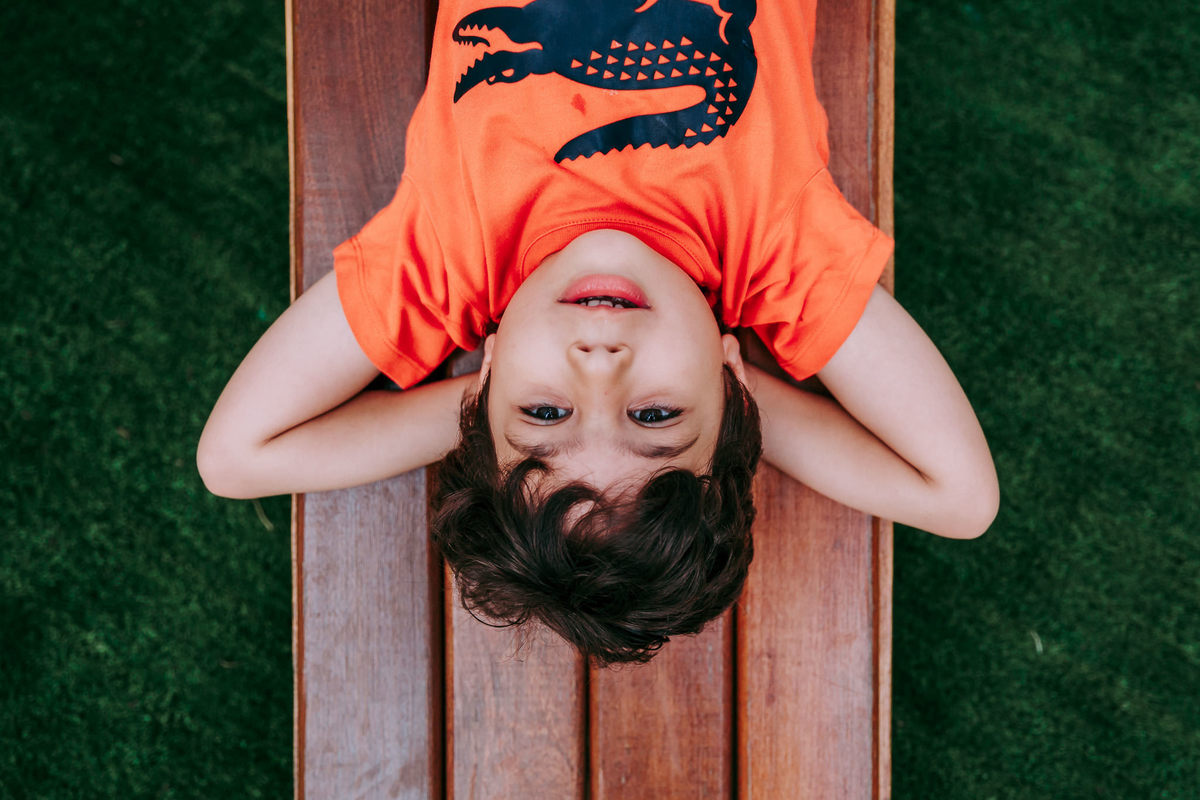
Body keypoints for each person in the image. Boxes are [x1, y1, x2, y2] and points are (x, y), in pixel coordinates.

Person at [197, 0, 999, 665]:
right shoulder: (776, 247)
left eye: (545, 413)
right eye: (656, 415)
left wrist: (488, 406)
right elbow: (961, 499)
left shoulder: (451, 253)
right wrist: (730, 398)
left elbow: (235, 457)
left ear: (489, 377)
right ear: (728, 383)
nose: (600, 364)